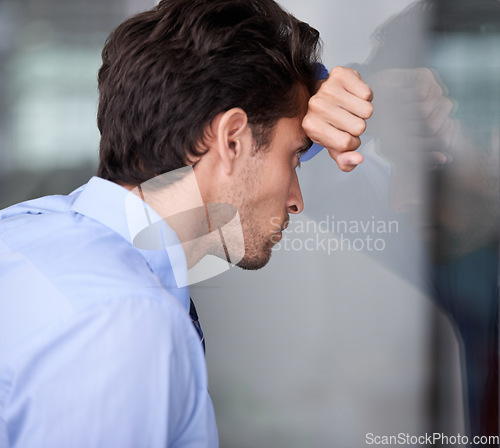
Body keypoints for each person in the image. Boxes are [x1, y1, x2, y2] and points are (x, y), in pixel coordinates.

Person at [0, 0, 373, 446]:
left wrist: (308, 94)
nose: (296, 200)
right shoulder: (127, 323)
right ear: (232, 140)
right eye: (295, 156)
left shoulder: (24, 232)